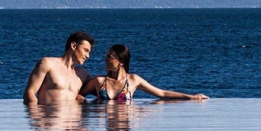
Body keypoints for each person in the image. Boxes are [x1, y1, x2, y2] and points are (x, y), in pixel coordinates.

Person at [80, 44, 208, 102]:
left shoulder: (133, 80)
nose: (106, 60)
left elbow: (161, 93)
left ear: (121, 61)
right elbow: (78, 96)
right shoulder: (99, 81)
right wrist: (89, 107)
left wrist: (191, 97)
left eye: (110, 57)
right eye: (107, 56)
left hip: (125, 119)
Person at [23, 31, 94, 105]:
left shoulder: (82, 74)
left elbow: (102, 86)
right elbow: (29, 92)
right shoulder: (47, 63)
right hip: (48, 115)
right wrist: (35, 113)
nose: (87, 56)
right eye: (85, 50)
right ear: (73, 46)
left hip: (73, 116)